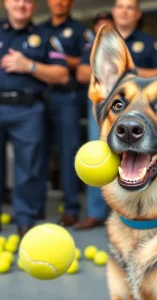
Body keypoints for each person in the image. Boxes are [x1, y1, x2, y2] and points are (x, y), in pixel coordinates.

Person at [0, 0, 68, 237]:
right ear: (6, 3)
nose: (21, 4)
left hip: (28, 110)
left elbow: (61, 74)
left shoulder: (46, 36)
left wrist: (28, 65)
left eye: (28, 0)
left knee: (29, 168)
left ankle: (25, 223)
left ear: (34, 7)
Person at [39, 0, 93, 227]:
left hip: (68, 98)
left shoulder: (82, 32)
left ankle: (71, 208)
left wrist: (57, 60)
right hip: (38, 96)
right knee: (35, 154)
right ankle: (34, 207)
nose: (59, 2)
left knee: (68, 153)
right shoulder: (38, 29)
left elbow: (85, 67)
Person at [74, 12, 114, 230]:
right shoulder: (91, 47)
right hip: (98, 107)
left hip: (132, 106)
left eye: (107, 24)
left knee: (131, 158)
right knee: (97, 157)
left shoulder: (134, 43)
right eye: (98, 25)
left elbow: (156, 72)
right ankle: (96, 212)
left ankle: (128, 214)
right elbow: (81, 74)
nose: (102, 28)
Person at [112, 0, 157, 78]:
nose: (124, 11)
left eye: (130, 8)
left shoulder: (151, 42)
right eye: (120, 7)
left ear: (138, 14)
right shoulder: (100, 42)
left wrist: (131, 72)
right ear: (114, 11)